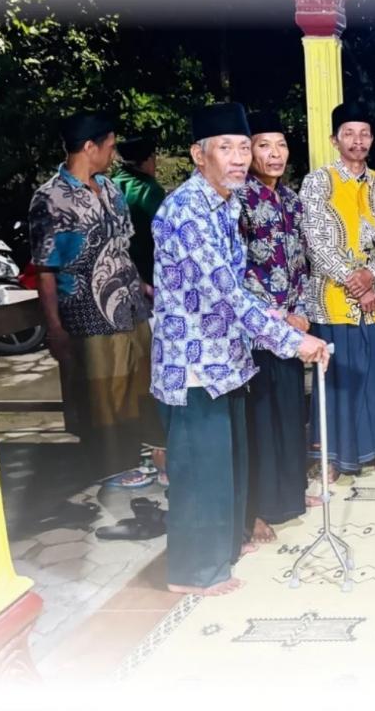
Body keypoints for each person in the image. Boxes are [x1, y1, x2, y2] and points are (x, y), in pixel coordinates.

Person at [151, 102, 329, 596]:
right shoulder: (186, 211)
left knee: (228, 463)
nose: (238, 158)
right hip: (192, 362)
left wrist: (282, 325)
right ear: (198, 154)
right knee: (200, 470)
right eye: (225, 148)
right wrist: (292, 341)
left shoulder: (226, 204)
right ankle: (192, 573)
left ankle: (224, 549)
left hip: (228, 357)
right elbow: (225, 293)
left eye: (243, 148)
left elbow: (239, 289)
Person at [29, 111, 160, 481]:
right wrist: (55, 328)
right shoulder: (51, 198)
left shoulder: (112, 189)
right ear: (90, 147)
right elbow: (46, 270)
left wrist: (143, 286)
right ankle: (112, 470)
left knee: (139, 388)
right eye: (110, 146)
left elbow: (121, 249)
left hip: (131, 309)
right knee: (104, 398)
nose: (113, 154)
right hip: (89, 316)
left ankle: (139, 460)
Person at [301, 99, 375, 482]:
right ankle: (331, 456)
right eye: (349, 134)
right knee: (337, 379)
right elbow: (316, 242)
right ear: (335, 139)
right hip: (333, 299)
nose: (357, 141)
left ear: (372, 139)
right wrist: (355, 282)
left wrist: (372, 276)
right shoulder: (318, 182)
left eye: (364, 134)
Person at [235, 109, 315, 542]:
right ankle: (261, 506)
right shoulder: (239, 200)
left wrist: (299, 310)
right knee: (261, 418)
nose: (274, 153)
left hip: (292, 325)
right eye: (264, 146)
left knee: (289, 409)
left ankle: (291, 494)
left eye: (280, 145)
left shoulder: (290, 199)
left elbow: (301, 262)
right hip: (256, 330)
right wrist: (278, 315)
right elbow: (239, 270)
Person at [111, 131, 166, 293]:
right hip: (146, 271)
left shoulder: (110, 184)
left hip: (115, 269)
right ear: (148, 159)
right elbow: (164, 234)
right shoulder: (150, 191)